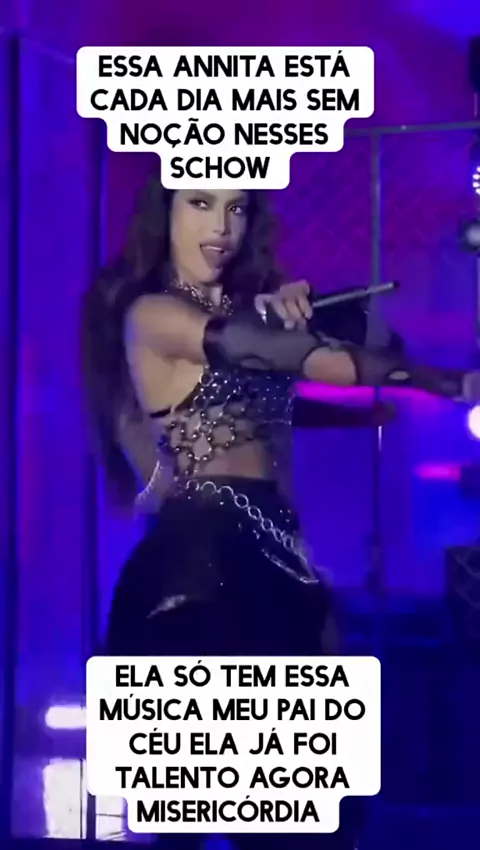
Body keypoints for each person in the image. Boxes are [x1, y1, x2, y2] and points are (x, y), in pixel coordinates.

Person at [81, 179, 478, 850]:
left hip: (269, 547)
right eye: (200, 204)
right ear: (166, 215)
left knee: (314, 814)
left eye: (236, 207)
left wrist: (305, 315)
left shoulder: (248, 314)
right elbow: (267, 354)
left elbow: (355, 344)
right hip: (198, 565)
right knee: (208, 811)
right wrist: (448, 382)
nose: (221, 225)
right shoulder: (153, 314)